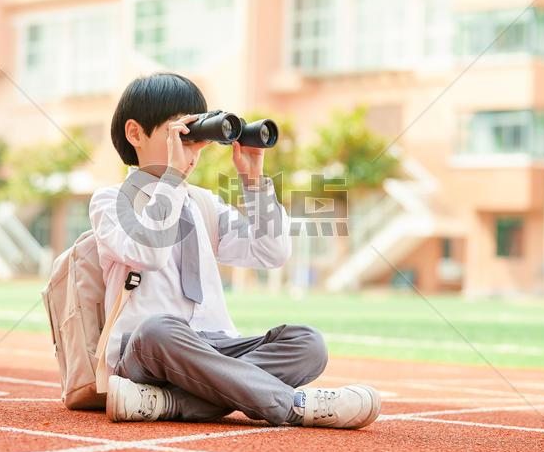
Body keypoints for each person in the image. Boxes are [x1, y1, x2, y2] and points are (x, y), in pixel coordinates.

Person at [88, 72, 381, 428]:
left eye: (197, 137)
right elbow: (149, 252)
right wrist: (172, 180)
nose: (192, 149)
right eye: (180, 135)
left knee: (307, 345)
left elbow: (272, 253)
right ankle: (293, 406)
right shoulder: (110, 201)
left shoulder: (203, 205)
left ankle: (169, 404)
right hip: (148, 352)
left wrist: (254, 182)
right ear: (135, 133)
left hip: (213, 348)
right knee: (158, 330)